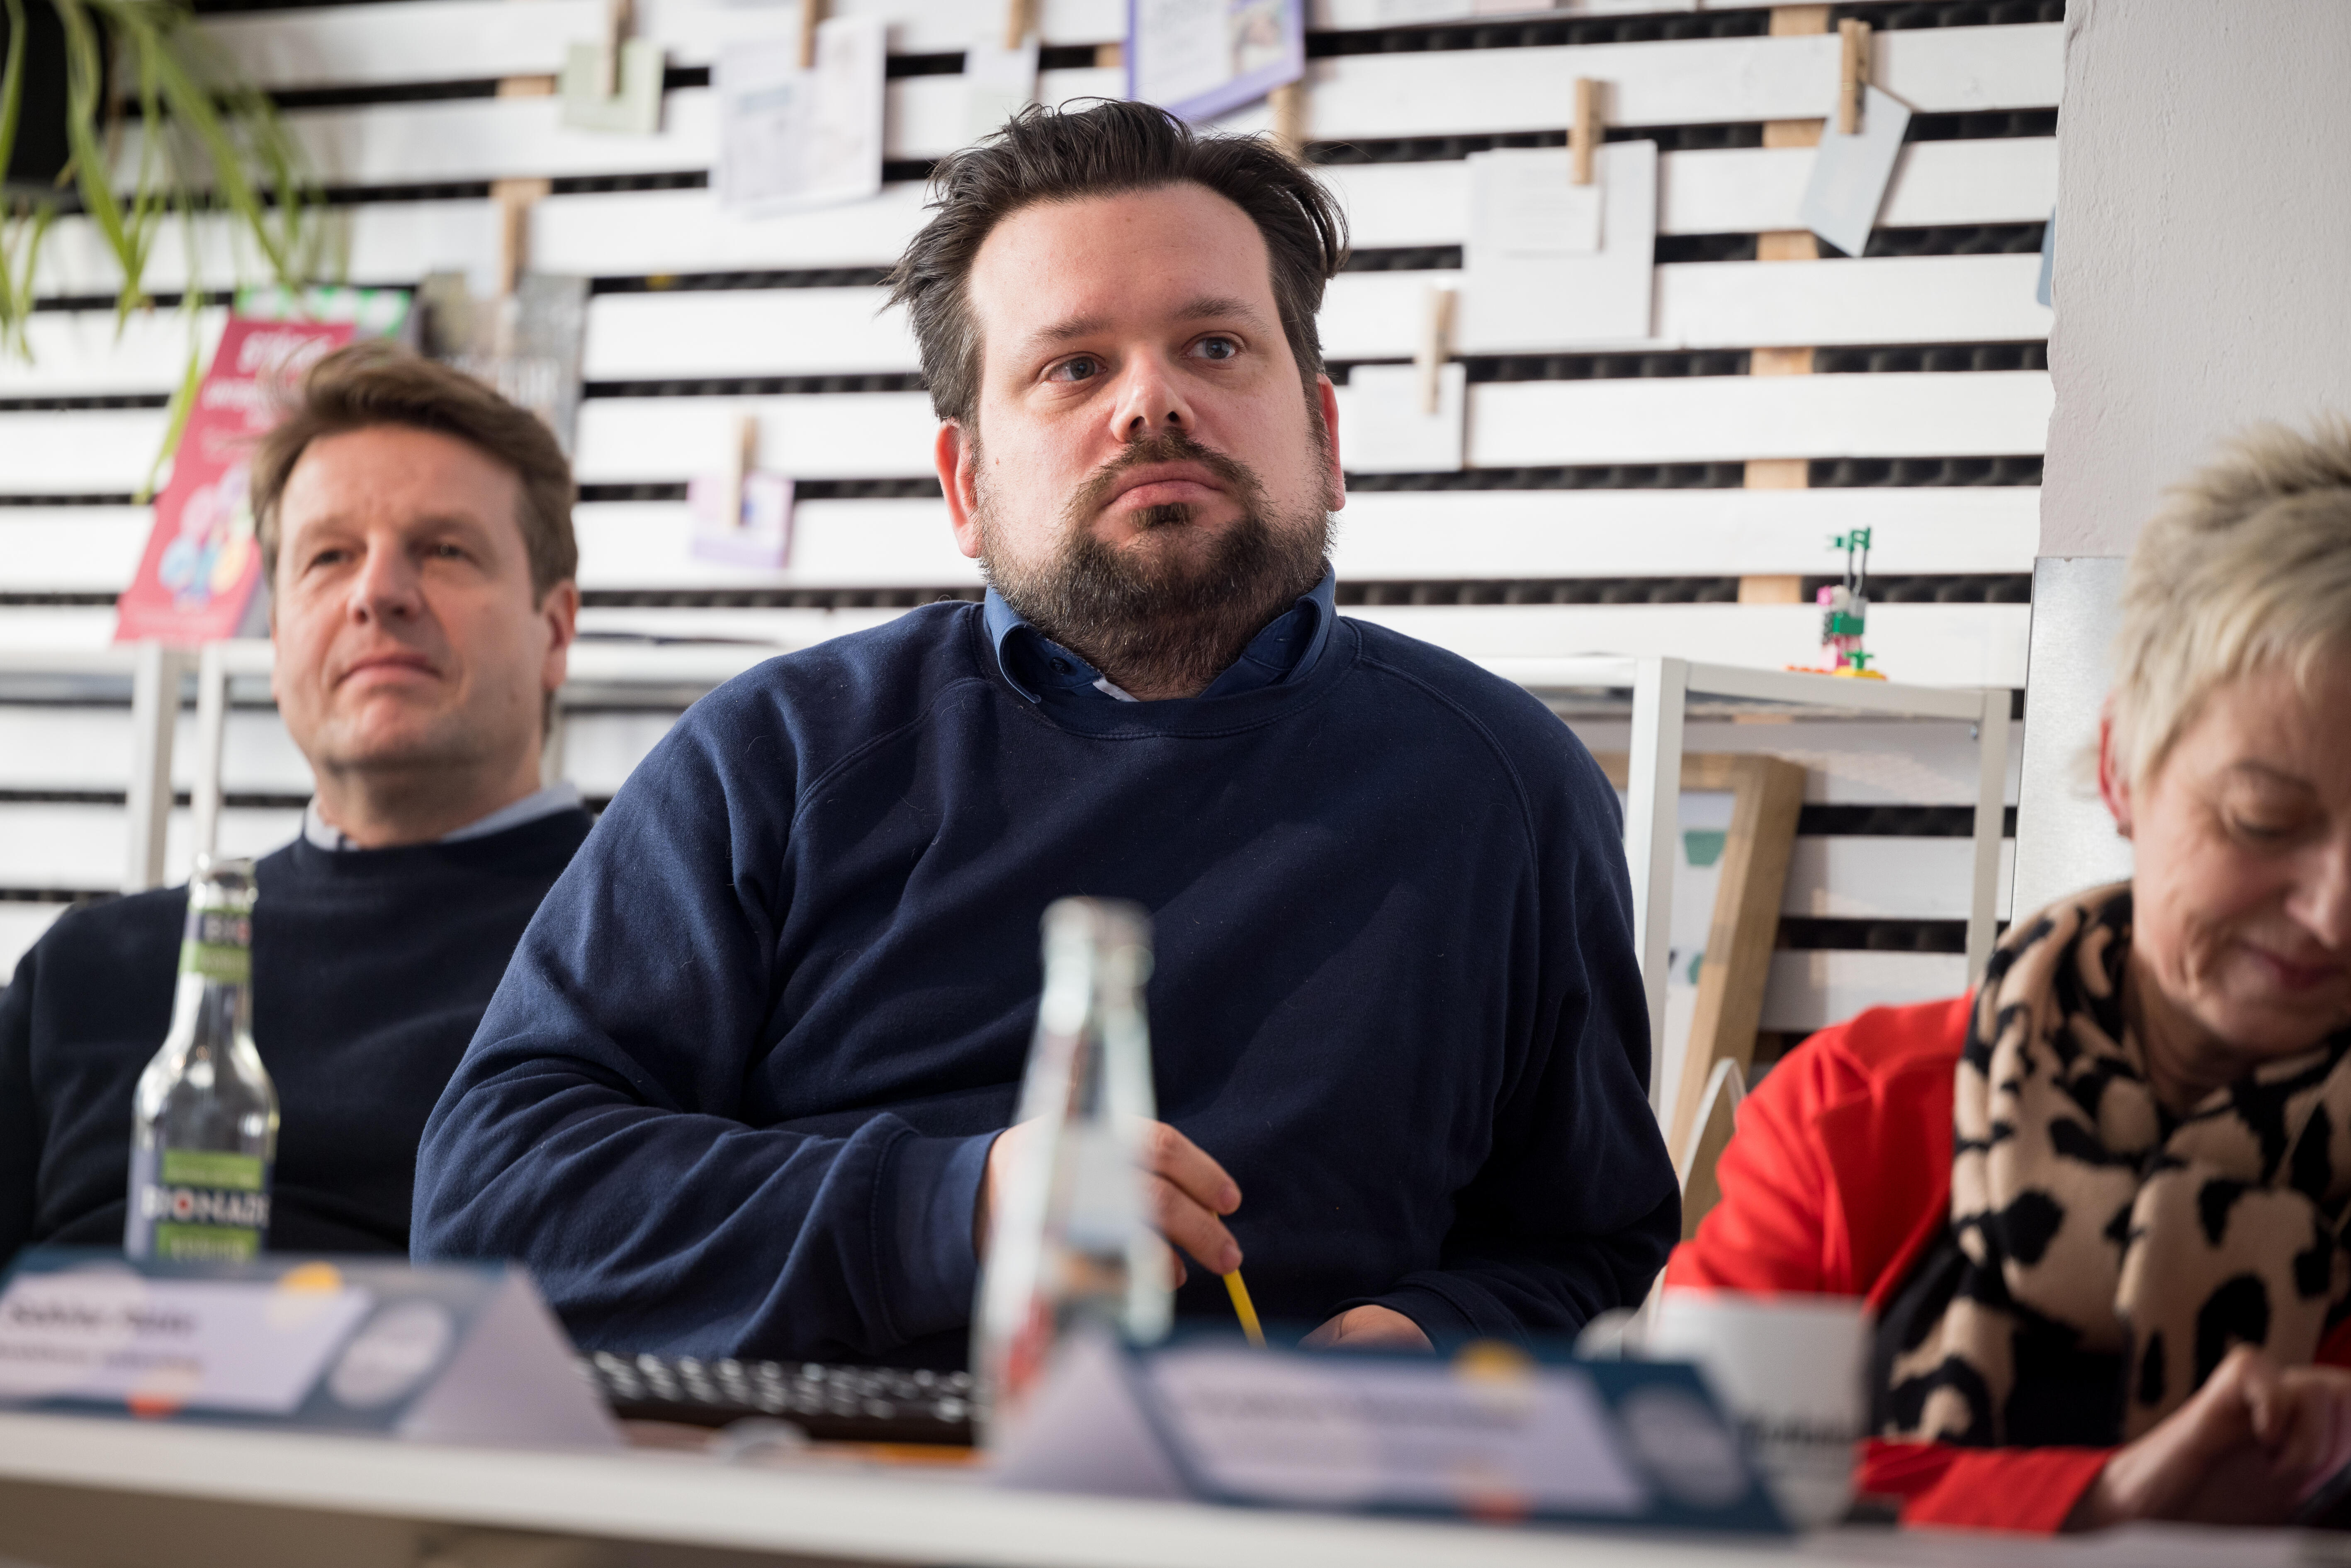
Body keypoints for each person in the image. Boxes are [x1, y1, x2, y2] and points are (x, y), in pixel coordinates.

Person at [411, 101, 1676, 1366]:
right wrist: (960, 1203)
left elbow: (1589, 1245)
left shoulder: (1508, 786)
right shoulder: (776, 760)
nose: (1151, 404)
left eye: (1216, 346)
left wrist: (1435, 1331)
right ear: (964, 484)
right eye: (1073, 366)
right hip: (831, 1502)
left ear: (1326, 439)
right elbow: (492, 1202)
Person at [1669, 420, 2351, 1531]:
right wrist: (2100, 1496)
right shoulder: (1854, 1117)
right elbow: (1694, 1483)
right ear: (2119, 767)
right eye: (2262, 820)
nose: (2331, 908)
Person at [0, 343, 590, 1259]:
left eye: (442, 549)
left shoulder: (666, 958)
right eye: (329, 556)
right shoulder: (85, 976)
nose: (379, 594)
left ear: (554, 631)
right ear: (277, 635)